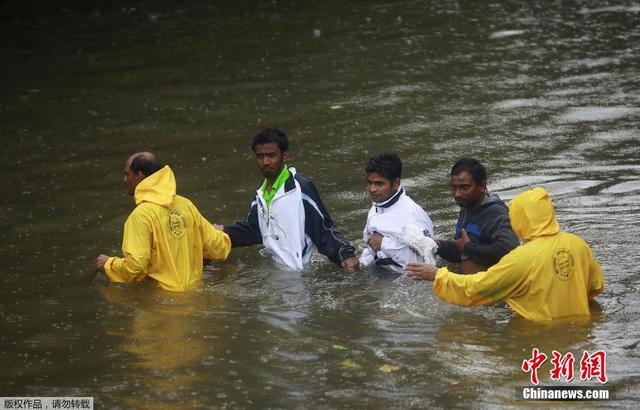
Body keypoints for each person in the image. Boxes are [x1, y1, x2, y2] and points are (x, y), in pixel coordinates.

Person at [406, 187, 605, 321]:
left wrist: (437, 275)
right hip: (579, 329)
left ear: (519, 219)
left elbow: (479, 288)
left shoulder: (521, 258)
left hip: (537, 333)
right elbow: (596, 286)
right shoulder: (578, 244)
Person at [218, 128, 359, 271]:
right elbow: (254, 230)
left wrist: (345, 255)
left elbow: (324, 229)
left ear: (284, 156)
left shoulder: (300, 189)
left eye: (271, 155)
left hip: (300, 273)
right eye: (260, 156)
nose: (266, 162)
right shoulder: (260, 193)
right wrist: (223, 231)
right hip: (274, 270)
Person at [95, 152, 231, 292]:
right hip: (195, 296)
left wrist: (109, 264)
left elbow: (135, 266)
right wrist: (219, 234)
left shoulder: (141, 215)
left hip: (162, 303)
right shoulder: (186, 205)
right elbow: (218, 248)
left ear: (139, 176)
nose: (124, 179)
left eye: (127, 174)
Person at [437, 158, 519, 273]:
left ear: (482, 185)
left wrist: (469, 248)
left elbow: (510, 250)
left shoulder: (496, 212)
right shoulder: (467, 206)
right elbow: (461, 251)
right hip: (470, 284)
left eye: (464, 187)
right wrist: (436, 246)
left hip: (492, 286)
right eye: (454, 187)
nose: (457, 194)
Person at [359, 152, 435, 273]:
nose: (372, 189)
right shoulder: (376, 207)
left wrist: (384, 243)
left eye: (379, 183)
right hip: (381, 276)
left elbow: (424, 264)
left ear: (395, 183)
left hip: (408, 285)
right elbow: (369, 246)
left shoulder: (412, 215)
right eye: (370, 182)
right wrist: (362, 264)